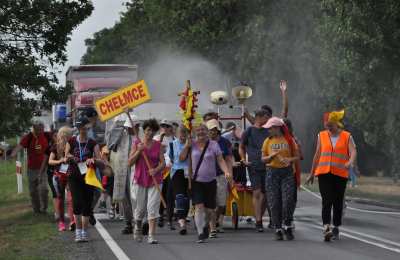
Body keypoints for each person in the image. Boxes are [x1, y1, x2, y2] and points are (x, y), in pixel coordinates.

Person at [306, 110, 357, 242]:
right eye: (326, 125)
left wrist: (350, 162)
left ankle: (336, 226)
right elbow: (317, 155)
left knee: (338, 202)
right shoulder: (321, 136)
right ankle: (326, 227)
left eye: (331, 125)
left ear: (337, 124)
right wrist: (311, 173)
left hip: (340, 173)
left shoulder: (347, 136)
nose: (328, 128)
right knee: (326, 200)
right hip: (324, 173)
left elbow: (353, 152)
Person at [180, 123, 232, 243]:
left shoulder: (213, 145)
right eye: (198, 130)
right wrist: (186, 147)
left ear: (207, 131)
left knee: (210, 210)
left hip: (211, 181)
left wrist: (226, 172)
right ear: (194, 132)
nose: (201, 132)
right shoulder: (191, 144)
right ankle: (200, 233)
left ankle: (205, 226)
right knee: (199, 206)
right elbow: (181, 158)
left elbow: (220, 160)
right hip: (197, 181)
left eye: (203, 130)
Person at [262, 117, 300, 241]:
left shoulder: (289, 140)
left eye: (270, 128)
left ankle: (287, 225)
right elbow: (263, 159)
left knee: (288, 199)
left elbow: (298, 156)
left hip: (287, 173)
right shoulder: (267, 141)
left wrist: (289, 160)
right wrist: (270, 157)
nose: (268, 130)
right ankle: (278, 228)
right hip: (271, 173)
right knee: (274, 201)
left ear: (277, 128)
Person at [128, 119, 165, 244]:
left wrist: (156, 170)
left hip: (155, 179)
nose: (150, 132)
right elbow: (129, 163)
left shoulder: (158, 145)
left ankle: (151, 235)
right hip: (140, 179)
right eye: (148, 129)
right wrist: (139, 151)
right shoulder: (137, 143)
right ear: (144, 130)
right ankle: (137, 227)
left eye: (152, 130)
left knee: (152, 207)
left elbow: (163, 163)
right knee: (140, 209)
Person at [65, 116, 101, 242]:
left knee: (87, 204)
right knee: (77, 203)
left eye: (84, 127)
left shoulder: (92, 143)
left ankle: (85, 232)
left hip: (88, 176)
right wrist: (70, 157)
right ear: (78, 128)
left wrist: (93, 159)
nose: (82, 130)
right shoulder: (71, 141)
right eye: (80, 127)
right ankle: (78, 232)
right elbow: (66, 154)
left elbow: (99, 158)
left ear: (88, 127)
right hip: (74, 176)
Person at [239, 109, 272, 232]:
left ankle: (259, 216)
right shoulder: (249, 131)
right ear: (259, 117)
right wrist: (243, 159)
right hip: (254, 166)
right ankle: (258, 221)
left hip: (268, 166)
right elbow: (241, 147)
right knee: (257, 192)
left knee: (266, 194)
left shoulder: (269, 131)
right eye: (266, 117)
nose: (268, 120)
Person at [11, 121, 51, 214]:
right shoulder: (29, 137)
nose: (40, 132)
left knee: (44, 189)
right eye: (37, 130)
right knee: (33, 191)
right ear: (34, 129)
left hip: (43, 168)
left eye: (41, 130)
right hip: (31, 169)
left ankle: (44, 208)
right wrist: (13, 154)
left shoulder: (47, 136)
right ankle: (36, 210)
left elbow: (57, 140)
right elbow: (20, 146)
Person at [206, 119, 233, 235]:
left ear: (218, 131)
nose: (212, 132)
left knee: (221, 203)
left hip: (222, 175)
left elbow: (228, 159)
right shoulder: (204, 142)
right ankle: (212, 226)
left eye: (214, 130)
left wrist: (230, 174)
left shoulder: (225, 142)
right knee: (211, 202)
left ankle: (216, 220)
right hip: (208, 176)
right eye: (210, 130)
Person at [48, 126, 75, 232]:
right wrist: (60, 161)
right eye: (63, 135)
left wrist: (71, 157)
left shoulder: (72, 145)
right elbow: (50, 161)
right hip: (59, 175)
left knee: (70, 199)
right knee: (60, 199)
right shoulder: (56, 147)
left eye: (67, 136)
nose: (65, 138)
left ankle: (72, 221)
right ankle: (62, 222)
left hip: (70, 174)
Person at [167, 125, 190, 235]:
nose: (182, 135)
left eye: (185, 132)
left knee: (186, 199)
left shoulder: (192, 143)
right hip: (177, 173)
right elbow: (177, 159)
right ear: (176, 134)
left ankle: (183, 218)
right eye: (180, 132)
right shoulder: (173, 144)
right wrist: (186, 147)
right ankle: (182, 224)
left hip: (189, 173)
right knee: (180, 198)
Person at [154, 119, 176, 228]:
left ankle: (170, 218)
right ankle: (160, 216)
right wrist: (161, 138)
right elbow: (154, 151)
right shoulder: (156, 138)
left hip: (170, 170)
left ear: (171, 128)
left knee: (170, 195)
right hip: (159, 170)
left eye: (167, 126)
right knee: (160, 193)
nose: (165, 128)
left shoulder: (174, 139)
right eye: (163, 126)